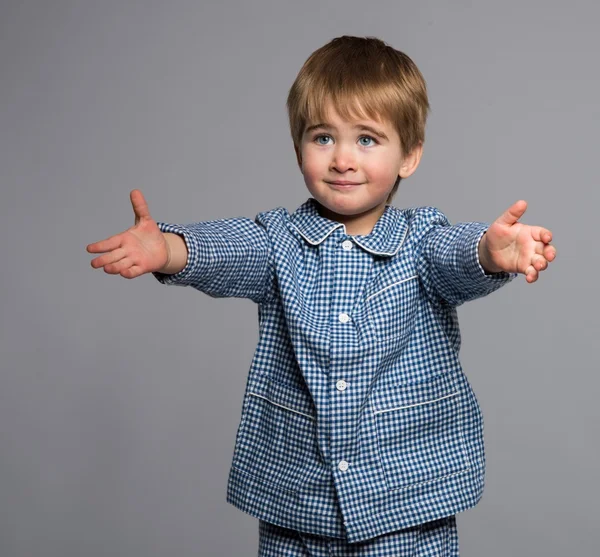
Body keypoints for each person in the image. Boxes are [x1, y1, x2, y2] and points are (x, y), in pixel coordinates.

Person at [86, 35, 556, 556]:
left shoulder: (422, 242)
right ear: (298, 149)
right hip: (297, 507)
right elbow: (227, 250)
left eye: (368, 140)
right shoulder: (278, 242)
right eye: (323, 138)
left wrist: (490, 253)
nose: (343, 160)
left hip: (406, 508)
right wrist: (170, 248)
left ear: (410, 155)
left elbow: (456, 257)